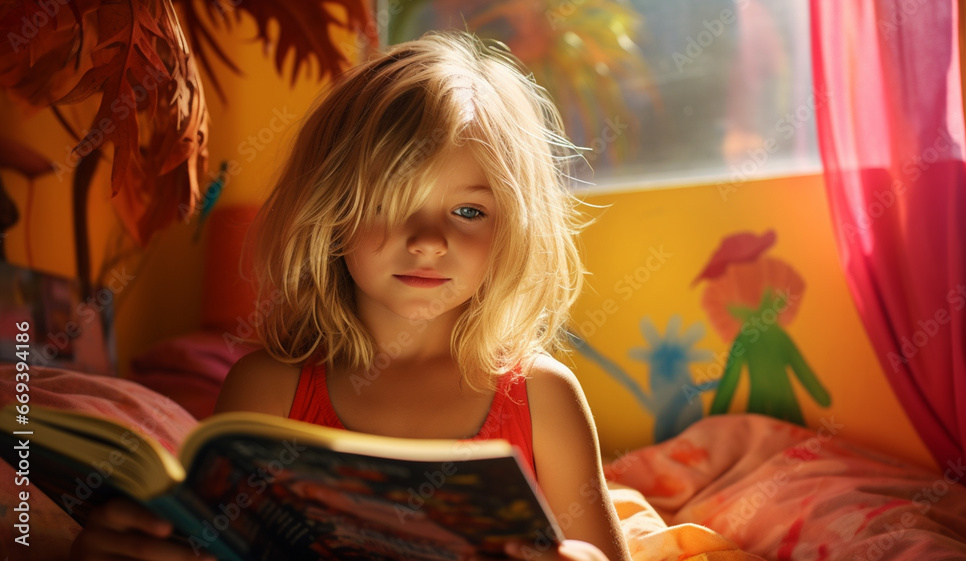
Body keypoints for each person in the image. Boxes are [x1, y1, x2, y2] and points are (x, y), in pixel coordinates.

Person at [72, 30, 631, 561]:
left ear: (513, 226)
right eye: (388, 203)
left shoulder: (543, 397)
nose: (429, 241)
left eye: (468, 211)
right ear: (331, 216)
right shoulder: (267, 391)